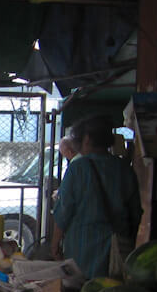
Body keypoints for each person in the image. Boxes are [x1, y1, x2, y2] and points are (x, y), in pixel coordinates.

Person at [51, 115, 141, 278]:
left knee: (81, 288)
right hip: (117, 247)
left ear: (87, 139)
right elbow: (135, 212)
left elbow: (64, 210)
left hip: (82, 247)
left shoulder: (78, 168)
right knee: (112, 288)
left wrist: (55, 243)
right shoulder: (124, 168)